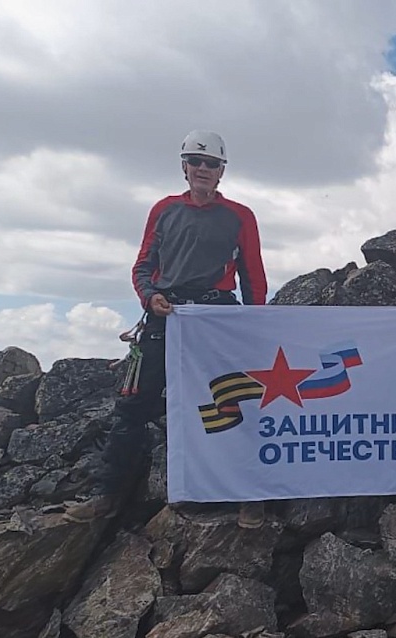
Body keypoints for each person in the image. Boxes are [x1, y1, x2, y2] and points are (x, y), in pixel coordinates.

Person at [65, 130, 269, 528]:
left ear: (222, 171)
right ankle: (107, 495)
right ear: (184, 167)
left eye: (212, 164)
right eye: (196, 162)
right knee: (133, 407)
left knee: (231, 403)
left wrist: (253, 322)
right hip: (167, 313)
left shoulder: (240, 216)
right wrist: (149, 298)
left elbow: (253, 274)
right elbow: (143, 265)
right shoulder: (163, 210)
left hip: (215, 317)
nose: (203, 170)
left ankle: (249, 496)